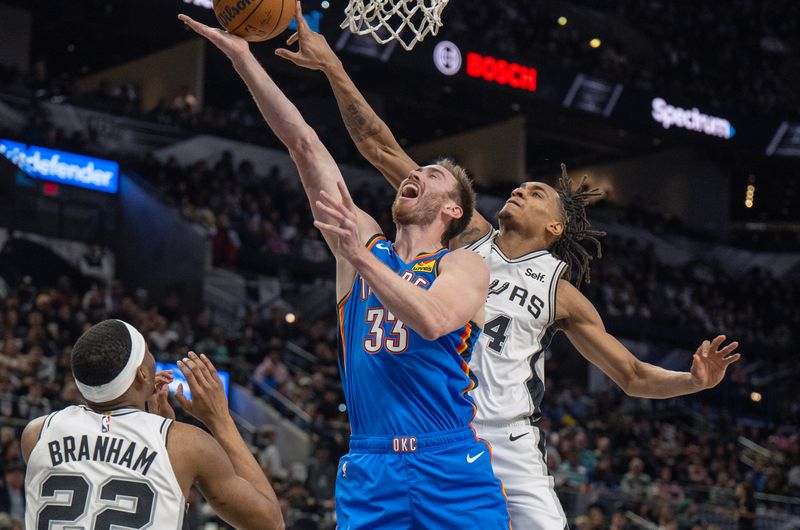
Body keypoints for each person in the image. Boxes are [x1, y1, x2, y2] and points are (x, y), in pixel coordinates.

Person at [274, 9, 742, 528]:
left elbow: (631, 376)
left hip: (508, 442)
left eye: (537, 192)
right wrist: (334, 68)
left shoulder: (561, 294)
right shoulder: (465, 233)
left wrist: (693, 382)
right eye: (521, 186)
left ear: (555, 228)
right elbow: (379, 147)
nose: (520, 188)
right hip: (441, 429)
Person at [179, 10, 510, 528]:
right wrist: (244, 59)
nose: (417, 172)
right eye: (419, 169)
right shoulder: (363, 245)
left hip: (448, 461)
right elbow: (304, 143)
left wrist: (358, 260)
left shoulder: (462, 264)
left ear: (453, 211)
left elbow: (431, 319)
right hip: (370, 463)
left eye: (434, 175)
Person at [21, 319, 283, 530]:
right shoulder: (187, 445)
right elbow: (270, 523)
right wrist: (220, 419)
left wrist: (155, 422)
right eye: (147, 351)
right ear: (143, 374)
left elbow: (101, 461)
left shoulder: (36, 433)